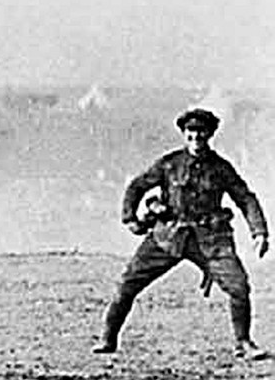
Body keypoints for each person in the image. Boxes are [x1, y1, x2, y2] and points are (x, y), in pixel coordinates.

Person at [94, 107, 269, 359]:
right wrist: (129, 219)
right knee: (127, 283)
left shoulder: (220, 167)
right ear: (184, 134)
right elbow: (137, 185)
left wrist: (259, 232)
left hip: (210, 240)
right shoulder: (169, 164)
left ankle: (243, 342)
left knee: (239, 287)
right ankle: (107, 338)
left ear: (210, 134)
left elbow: (245, 197)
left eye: (201, 132)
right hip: (168, 237)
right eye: (191, 132)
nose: (196, 137)